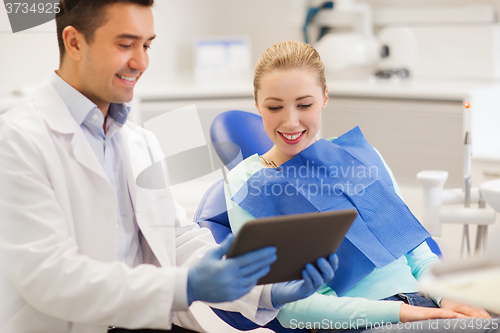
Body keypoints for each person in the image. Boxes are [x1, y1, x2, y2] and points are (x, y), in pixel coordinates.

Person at [0, 3, 339, 333]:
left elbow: (175, 242)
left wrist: (265, 289)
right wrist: (186, 286)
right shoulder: (16, 141)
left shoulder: (138, 141)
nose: (141, 61)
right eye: (125, 44)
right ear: (74, 42)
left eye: (146, 45)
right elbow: (51, 276)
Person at [224, 40, 500, 333]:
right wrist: (405, 314)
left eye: (304, 104)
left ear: (325, 98)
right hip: (365, 322)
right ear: (257, 104)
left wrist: (449, 298)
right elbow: (290, 309)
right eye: (274, 107)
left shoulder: (360, 156)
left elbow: (418, 253)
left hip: (428, 307)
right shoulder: (247, 183)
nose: (290, 121)